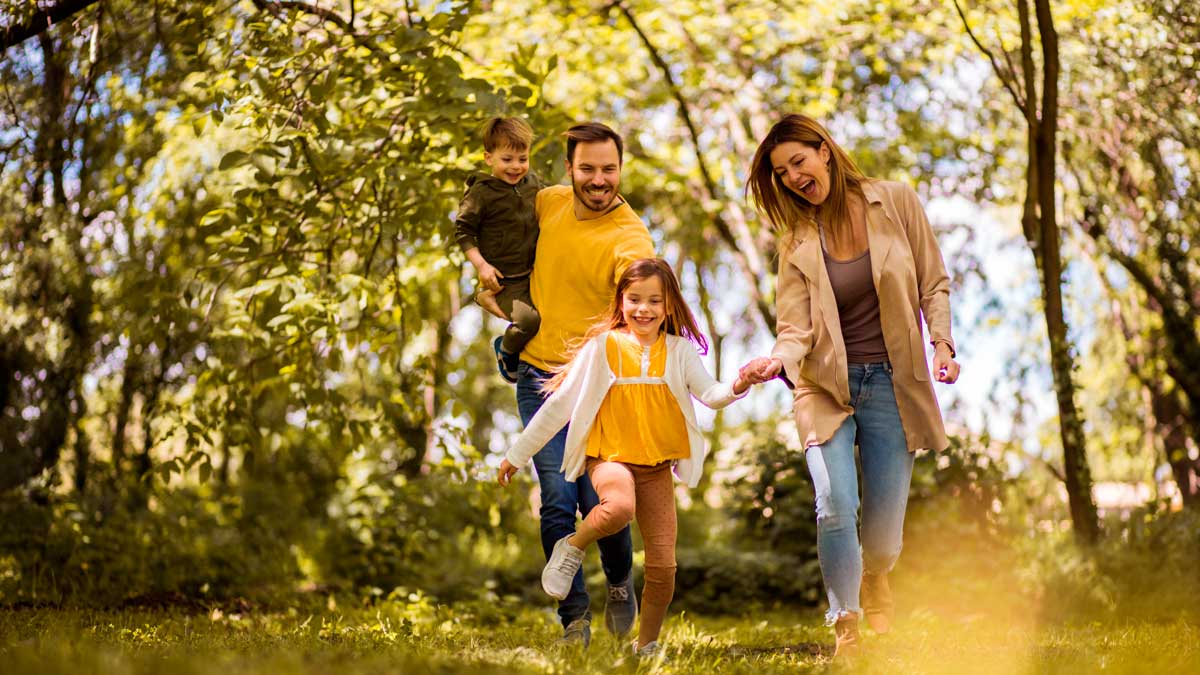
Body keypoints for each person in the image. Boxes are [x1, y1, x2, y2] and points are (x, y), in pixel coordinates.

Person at [742, 113, 961, 658]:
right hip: (823, 385)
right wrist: (774, 361)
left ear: (824, 152)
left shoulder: (896, 202)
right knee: (834, 502)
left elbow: (933, 282)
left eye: (798, 161)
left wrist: (942, 344)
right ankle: (847, 626)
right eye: (781, 172)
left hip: (892, 381)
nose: (793, 177)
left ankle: (876, 573)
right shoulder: (795, 239)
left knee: (883, 537)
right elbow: (795, 328)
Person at [498, 258, 759, 657]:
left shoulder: (679, 351)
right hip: (609, 458)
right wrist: (517, 455)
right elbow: (560, 405)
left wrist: (741, 381)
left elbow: (711, 394)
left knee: (663, 568)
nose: (644, 309)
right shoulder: (602, 347)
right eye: (634, 299)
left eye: (654, 300)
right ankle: (572, 546)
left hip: (656, 468)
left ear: (668, 305)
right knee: (618, 508)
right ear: (620, 302)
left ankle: (646, 644)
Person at [511, 122, 655, 647]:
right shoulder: (548, 202)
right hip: (537, 376)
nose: (599, 180)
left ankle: (619, 581)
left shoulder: (630, 235)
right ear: (569, 169)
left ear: (621, 169)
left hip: (598, 386)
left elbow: (642, 294)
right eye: (588, 169)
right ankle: (574, 618)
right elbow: (501, 211)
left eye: (609, 169)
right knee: (555, 498)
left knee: (601, 495)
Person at [454, 116, 543, 383]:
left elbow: (553, 200)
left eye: (522, 159)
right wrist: (481, 265)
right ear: (489, 158)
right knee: (529, 322)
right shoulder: (482, 193)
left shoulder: (532, 184)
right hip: (505, 281)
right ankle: (506, 349)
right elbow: (463, 231)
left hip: (535, 270)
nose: (516, 167)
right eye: (507, 159)